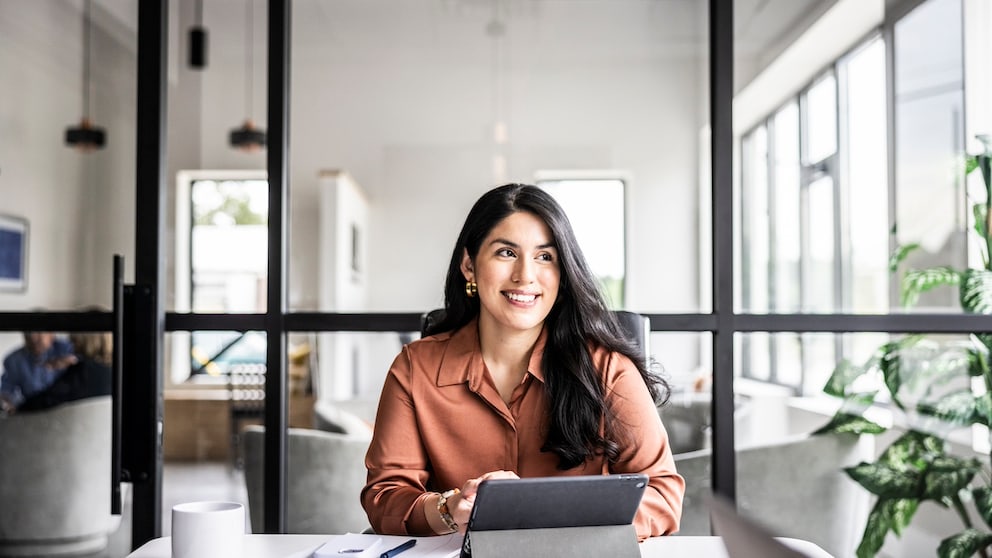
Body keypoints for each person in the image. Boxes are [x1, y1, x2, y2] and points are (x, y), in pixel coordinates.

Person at [361, 184, 685, 540]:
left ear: (563, 275)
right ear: (469, 265)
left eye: (545, 257)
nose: (525, 276)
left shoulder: (608, 370)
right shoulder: (414, 368)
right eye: (505, 253)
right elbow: (385, 496)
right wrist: (449, 509)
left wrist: (549, 515)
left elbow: (662, 494)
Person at [17, 332, 113, 413]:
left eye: (74, 342)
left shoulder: (82, 370)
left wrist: (17, 409)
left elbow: (47, 400)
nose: (72, 346)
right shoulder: (113, 371)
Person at [0, 331, 77, 414]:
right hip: (32, 415)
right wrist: (7, 403)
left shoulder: (69, 350)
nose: (33, 337)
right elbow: (7, 392)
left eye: (38, 332)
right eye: (28, 332)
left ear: (51, 333)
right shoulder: (13, 360)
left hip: (67, 413)